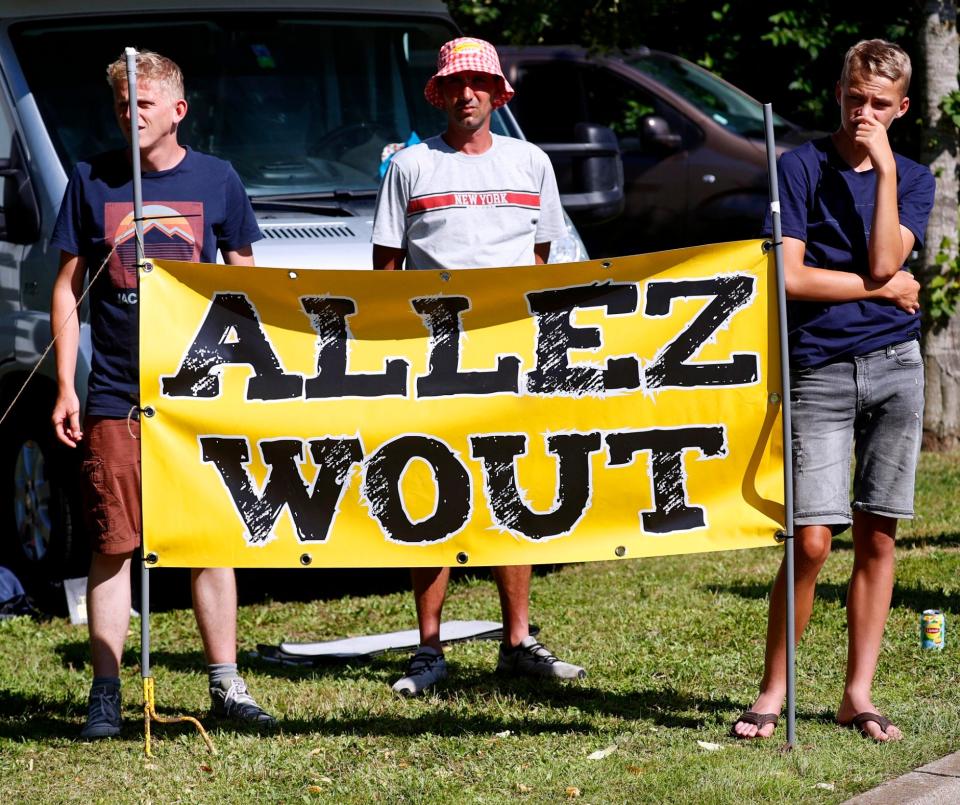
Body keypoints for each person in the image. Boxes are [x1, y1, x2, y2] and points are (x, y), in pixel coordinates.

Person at [51, 50, 275, 738]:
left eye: (143, 104)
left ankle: (226, 684)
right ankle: (107, 692)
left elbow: (247, 279)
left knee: (210, 538)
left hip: (200, 391)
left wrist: (251, 370)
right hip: (116, 390)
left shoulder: (218, 180)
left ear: (178, 110)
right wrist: (66, 383)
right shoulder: (91, 178)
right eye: (123, 105)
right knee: (115, 540)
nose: (131, 116)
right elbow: (66, 287)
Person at [732, 40, 934, 742]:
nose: (865, 113)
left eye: (881, 104)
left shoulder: (912, 176)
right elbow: (791, 277)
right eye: (856, 98)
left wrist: (881, 171)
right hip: (819, 364)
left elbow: (884, 253)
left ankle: (858, 692)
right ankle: (773, 689)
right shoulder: (799, 167)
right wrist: (886, 288)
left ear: (902, 107)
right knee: (813, 537)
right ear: (838, 94)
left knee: (879, 531)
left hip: (895, 366)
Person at [371, 37, 587, 696]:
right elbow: (384, 270)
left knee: (510, 488)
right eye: (455, 83)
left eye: (479, 82)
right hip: (431, 357)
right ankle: (428, 648)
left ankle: (517, 640)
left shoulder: (532, 162)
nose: (467, 93)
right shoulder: (410, 167)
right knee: (426, 494)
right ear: (439, 93)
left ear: (497, 92)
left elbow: (542, 257)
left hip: (511, 354)